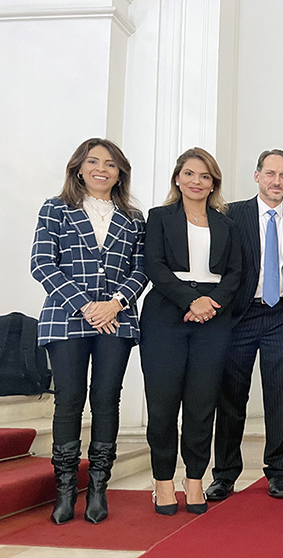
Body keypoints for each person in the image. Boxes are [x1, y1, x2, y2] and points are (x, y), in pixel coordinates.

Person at [31, 138, 147, 525]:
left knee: (106, 399)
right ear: (79, 168)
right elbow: (42, 263)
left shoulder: (133, 217)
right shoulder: (56, 209)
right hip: (65, 317)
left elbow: (142, 269)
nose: (102, 169)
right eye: (93, 161)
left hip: (117, 319)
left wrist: (115, 303)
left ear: (120, 173)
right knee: (69, 400)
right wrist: (85, 305)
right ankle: (65, 491)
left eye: (111, 164)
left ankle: (98, 488)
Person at [140, 148, 241, 515]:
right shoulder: (159, 217)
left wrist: (210, 303)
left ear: (213, 183)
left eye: (204, 176)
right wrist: (190, 300)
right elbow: (154, 265)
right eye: (189, 174)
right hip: (166, 313)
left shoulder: (227, 224)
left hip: (213, 316)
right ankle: (163, 481)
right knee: (163, 403)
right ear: (177, 178)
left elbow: (236, 273)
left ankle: (195, 478)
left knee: (201, 404)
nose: (196, 181)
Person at [206, 149, 283, 501]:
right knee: (231, 398)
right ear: (257, 176)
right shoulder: (232, 214)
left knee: (279, 397)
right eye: (270, 174)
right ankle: (224, 474)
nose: (277, 181)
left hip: (281, 316)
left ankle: (277, 472)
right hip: (240, 316)